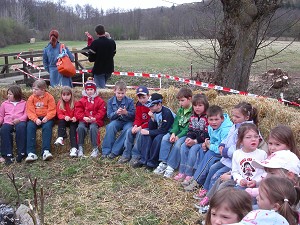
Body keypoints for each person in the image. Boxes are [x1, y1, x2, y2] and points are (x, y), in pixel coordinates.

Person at [193, 102, 259, 202]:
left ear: (246, 117)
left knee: (218, 175)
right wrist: (222, 145)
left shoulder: (248, 130)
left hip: (234, 162)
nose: (234, 118)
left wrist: (225, 151)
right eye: (233, 116)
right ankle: (206, 189)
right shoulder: (235, 126)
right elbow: (228, 138)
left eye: (237, 116)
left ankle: (212, 198)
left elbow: (239, 148)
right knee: (213, 168)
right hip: (227, 159)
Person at [183, 105, 232, 191]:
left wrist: (210, 146)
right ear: (207, 120)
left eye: (216, 119)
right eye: (211, 120)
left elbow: (221, 149)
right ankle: (196, 177)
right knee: (202, 151)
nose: (213, 122)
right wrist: (206, 144)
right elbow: (212, 140)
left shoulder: (226, 130)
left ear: (222, 119)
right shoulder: (210, 127)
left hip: (223, 154)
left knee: (210, 155)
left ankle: (197, 181)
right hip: (214, 148)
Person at [153, 87, 193, 178]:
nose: (180, 103)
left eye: (182, 100)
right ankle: (163, 162)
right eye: (179, 101)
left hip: (186, 133)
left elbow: (188, 127)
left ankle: (171, 166)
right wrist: (174, 133)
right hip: (178, 131)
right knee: (165, 138)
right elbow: (175, 123)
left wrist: (178, 136)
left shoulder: (193, 112)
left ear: (190, 99)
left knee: (178, 144)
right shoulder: (180, 110)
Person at [130, 93, 175, 169]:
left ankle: (153, 162)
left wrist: (149, 132)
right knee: (146, 136)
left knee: (158, 138)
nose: (150, 107)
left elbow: (164, 130)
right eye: (149, 106)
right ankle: (144, 159)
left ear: (159, 104)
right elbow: (151, 127)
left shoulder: (167, 113)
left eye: (152, 105)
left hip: (169, 131)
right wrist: (152, 119)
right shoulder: (153, 111)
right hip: (159, 129)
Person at [175, 93, 209, 182]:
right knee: (183, 146)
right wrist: (189, 138)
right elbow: (190, 129)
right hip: (194, 139)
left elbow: (206, 133)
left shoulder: (208, 117)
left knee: (193, 149)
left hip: (202, 141)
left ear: (205, 106)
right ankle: (182, 171)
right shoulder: (193, 116)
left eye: (200, 105)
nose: (197, 108)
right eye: (195, 105)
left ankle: (189, 173)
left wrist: (195, 141)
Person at [101, 81, 135, 158]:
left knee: (128, 129)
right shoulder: (110, 101)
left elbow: (133, 116)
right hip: (117, 121)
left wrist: (126, 113)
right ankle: (106, 151)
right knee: (110, 127)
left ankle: (115, 151)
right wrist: (116, 113)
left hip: (127, 121)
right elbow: (109, 116)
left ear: (125, 91)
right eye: (118, 93)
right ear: (114, 91)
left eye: (122, 93)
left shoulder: (130, 101)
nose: (120, 95)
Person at [25, 79, 56, 162]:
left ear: (43, 89)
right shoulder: (31, 98)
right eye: (33, 89)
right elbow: (30, 111)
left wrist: (47, 117)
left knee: (47, 127)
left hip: (46, 117)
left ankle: (46, 151)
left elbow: (52, 110)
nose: (33, 91)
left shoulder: (49, 97)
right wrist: (35, 119)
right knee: (30, 127)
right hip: (35, 118)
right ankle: (31, 153)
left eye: (36, 89)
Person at [118, 86, 150, 164]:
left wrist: (140, 127)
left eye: (144, 97)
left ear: (148, 96)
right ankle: (126, 154)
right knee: (129, 131)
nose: (142, 100)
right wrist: (135, 125)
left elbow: (151, 121)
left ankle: (136, 156)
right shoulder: (139, 104)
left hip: (149, 126)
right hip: (140, 125)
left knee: (140, 133)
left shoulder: (151, 105)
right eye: (140, 98)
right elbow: (138, 117)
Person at [75, 77, 106, 158]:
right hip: (84, 120)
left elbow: (102, 111)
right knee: (80, 127)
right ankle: (80, 147)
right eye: (88, 90)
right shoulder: (82, 100)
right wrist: (83, 117)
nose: (89, 91)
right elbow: (78, 111)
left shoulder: (99, 100)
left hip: (95, 120)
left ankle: (95, 148)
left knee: (93, 128)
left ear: (95, 90)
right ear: (85, 90)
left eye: (91, 89)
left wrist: (95, 118)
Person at [231, 123, 267, 188]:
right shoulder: (236, 154)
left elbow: (266, 172)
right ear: (241, 141)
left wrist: (256, 181)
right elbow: (235, 172)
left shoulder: (262, 154)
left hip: (258, 187)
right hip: (241, 187)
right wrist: (240, 180)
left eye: (256, 136)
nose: (253, 139)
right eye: (248, 137)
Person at [0, 85, 27, 164]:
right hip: (8, 122)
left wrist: (20, 120)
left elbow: (26, 114)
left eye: (10, 94)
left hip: (20, 121)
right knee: (4, 130)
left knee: (21, 128)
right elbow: (1, 116)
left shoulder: (24, 103)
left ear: (16, 94)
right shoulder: (4, 104)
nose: (8, 95)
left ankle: (21, 153)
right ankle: (7, 154)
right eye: (8, 94)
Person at [88, 24, 116, 88]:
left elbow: (91, 59)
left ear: (96, 33)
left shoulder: (95, 43)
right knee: (103, 86)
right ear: (104, 31)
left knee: (100, 90)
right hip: (109, 68)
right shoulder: (112, 42)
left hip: (99, 69)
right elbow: (114, 53)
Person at [54, 86, 78, 157]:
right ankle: (60, 137)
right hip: (65, 120)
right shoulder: (60, 103)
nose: (66, 97)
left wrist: (75, 117)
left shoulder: (75, 102)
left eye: (68, 95)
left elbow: (78, 112)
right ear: (61, 95)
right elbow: (59, 114)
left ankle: (74, 148)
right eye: (64, 95)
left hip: (73, 120)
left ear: (71, 95)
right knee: (61, 122)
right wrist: (64, 117)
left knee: (73, 128)